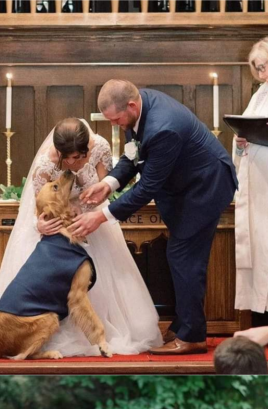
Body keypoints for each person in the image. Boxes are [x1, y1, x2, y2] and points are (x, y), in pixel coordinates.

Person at [0, 118, 162, 356]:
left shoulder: (100, 148)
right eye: (69, 158)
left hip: (93, 223)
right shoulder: (46, 164)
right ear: (59, 153)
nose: (74, 164)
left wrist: (88, 211)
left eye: (80, 157)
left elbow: (104, 189)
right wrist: (40, 224)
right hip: (58, 231)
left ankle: (102, 335)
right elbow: (38, 207)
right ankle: (43, 338)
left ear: (87, 148)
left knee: (100, 286)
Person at [71, 80, 238, 356]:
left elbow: (148, 187)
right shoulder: (137, 111)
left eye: (116, 119)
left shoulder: (164, 128)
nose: (115, 125)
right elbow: (132, 157)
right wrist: (109, 183)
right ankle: (185, 324)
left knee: (185, 258)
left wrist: (101, 217)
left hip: (205, 187)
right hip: (185, 188)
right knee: (180, 256)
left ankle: (193, 336)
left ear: (132, 106)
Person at [233, 37, 268, 325]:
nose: (263, 76)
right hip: (259, 185)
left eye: (264, 68)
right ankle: (262, 316)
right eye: (258, 70)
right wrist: (241, 140)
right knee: (261, 248)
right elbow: (247, 129)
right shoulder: (261, 94)